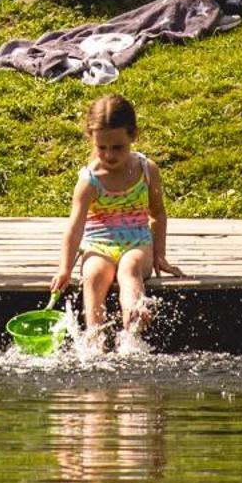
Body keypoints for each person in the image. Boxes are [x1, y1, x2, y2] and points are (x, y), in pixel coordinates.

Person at [51, 93, 184, 352]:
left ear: (133, 135)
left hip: (137, 242)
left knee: (129, 271)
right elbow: (75, 227)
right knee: (92, 276)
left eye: (117, 147)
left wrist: (160, 254)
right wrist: (65, 268)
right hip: (98, 243)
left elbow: (158, 213)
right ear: (91, 139)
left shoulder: (147, 170)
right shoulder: (90, 180)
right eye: (102, 148)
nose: (109, 155)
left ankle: (132, 333)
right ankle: (95, 340)